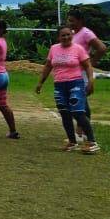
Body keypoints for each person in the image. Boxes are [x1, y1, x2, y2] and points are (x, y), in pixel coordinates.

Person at [36, 26, 99, 154]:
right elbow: (48, 66)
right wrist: (40, 82)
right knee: (64, 113)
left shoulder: (78, 49)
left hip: (75, 83)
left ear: (72, 35)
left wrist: (91, 81)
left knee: (78, 112)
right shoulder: (54, 49)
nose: (66, 37)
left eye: (68, 35)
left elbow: (87, 65)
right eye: (62, 35)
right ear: (58, 37)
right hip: (59, 85)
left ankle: (92, 142)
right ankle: (72, 141)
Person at [67, 9, 107, 139]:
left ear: (80, 21)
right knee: (77, 100)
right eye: (69, 20)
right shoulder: (73, 34)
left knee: (79, 101)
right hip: (72, 73)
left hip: (82, 73)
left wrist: (90, 63)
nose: (70, 23)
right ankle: (83, 130)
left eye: (72, 20)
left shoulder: (86, 33)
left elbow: (102, 48)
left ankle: (81, 131)